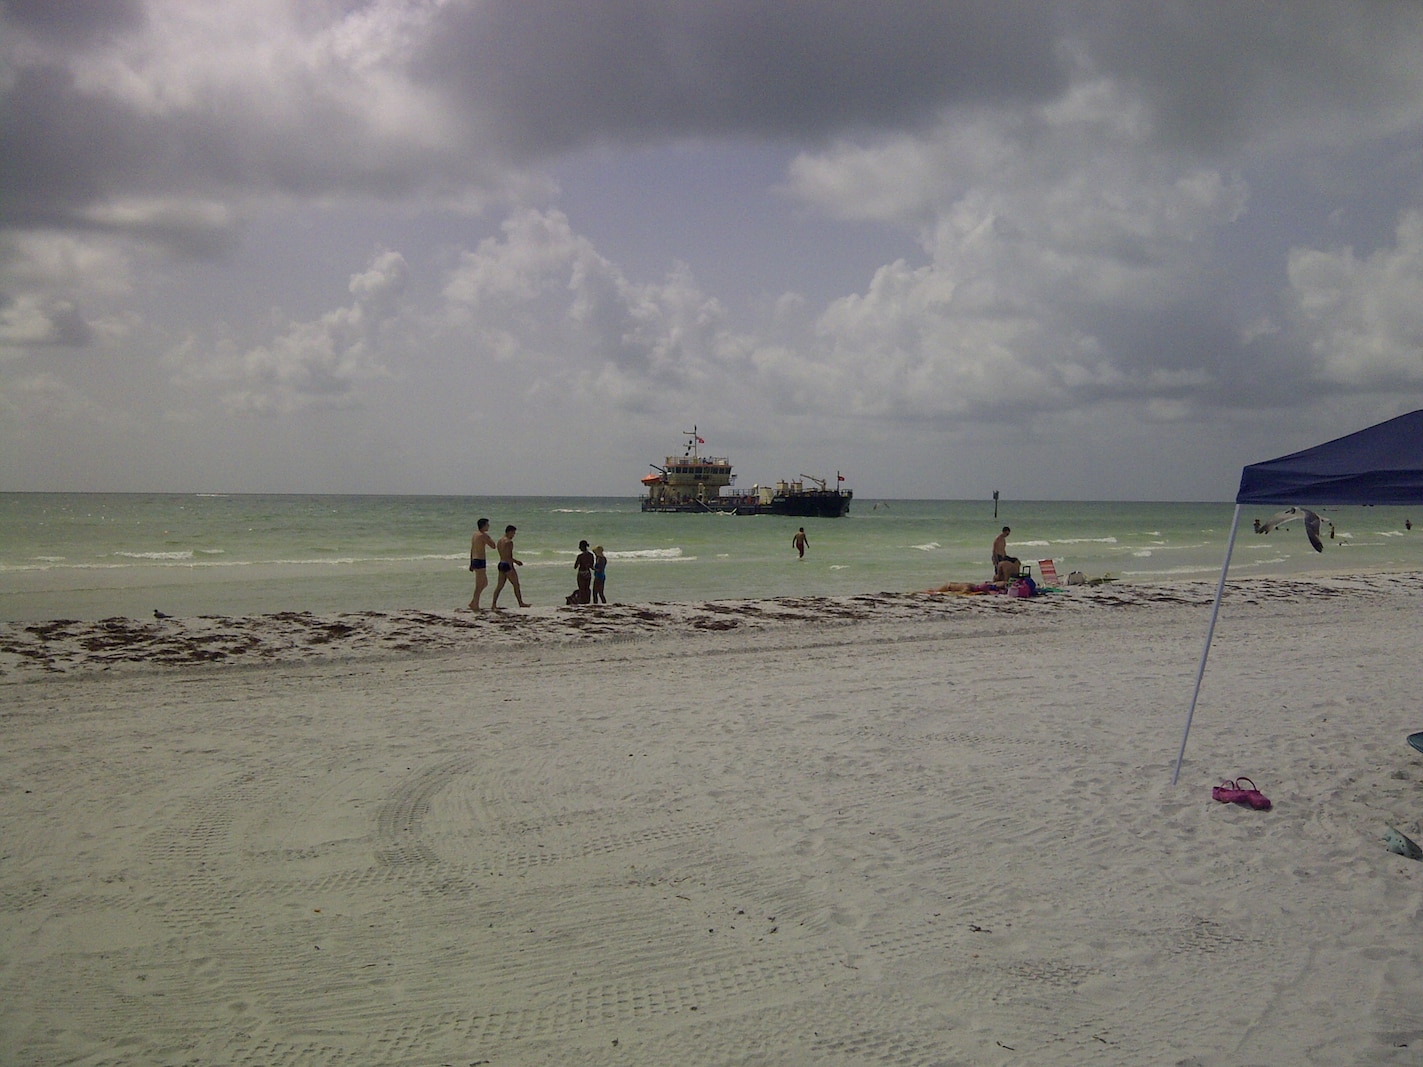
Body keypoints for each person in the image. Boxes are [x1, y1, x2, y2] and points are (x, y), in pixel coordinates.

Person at [491, 525, 529, 608]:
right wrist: (516, 562)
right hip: (507, 565)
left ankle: (493, 604)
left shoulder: (500, 541)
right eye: (513, 533)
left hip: (501, 563)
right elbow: (508, 556)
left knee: (499, 586)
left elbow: (503, 555)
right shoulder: (509, 542)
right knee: (516, 584)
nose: (514, 535)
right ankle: (520, 603)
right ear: (509, 532)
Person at [468, 517, 496, 610]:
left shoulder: (475, 535)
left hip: (475, 559)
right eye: (487, 524)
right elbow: (493, 546)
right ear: (483, 526)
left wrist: (471, 562)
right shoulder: (483, 535)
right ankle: (475, 604)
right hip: (480, 560)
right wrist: (488, 537)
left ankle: (473, 601)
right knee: (480, 584)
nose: (488, 526)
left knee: (484, 583)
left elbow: (472, 549)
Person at [573, 539, 595, 604]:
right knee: (587, 588)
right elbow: (591, 566)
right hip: (588, 573)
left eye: (580, 546)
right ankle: (587, 601)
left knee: (582, 589)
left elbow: (575, 566)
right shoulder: (591, 555)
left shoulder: (580, 556)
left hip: (581, 573)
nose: (579, 548)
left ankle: (582, 602)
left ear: (582, 547)